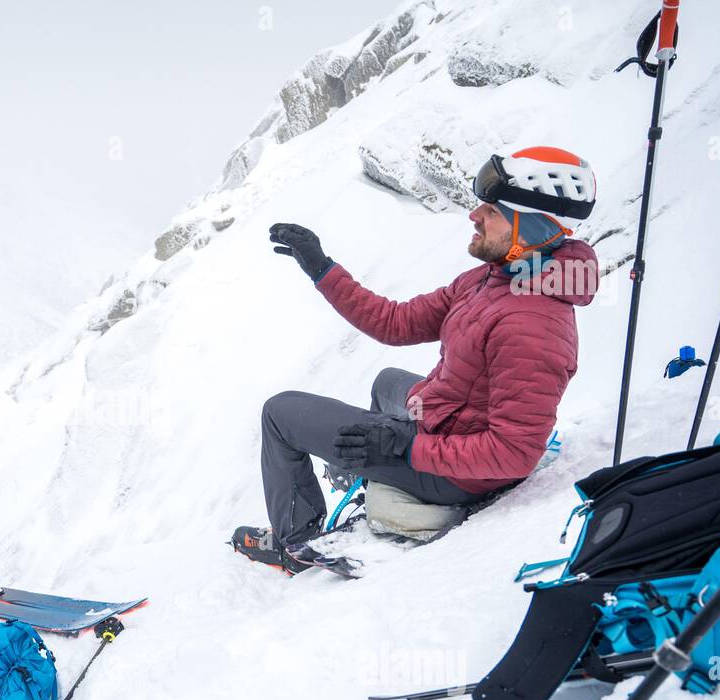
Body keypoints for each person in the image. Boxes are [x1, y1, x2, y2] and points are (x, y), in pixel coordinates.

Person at [232, 147, 599, 574]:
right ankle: (380, 478)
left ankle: (295, 542)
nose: (475, 215)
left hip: (457, 474)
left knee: (280, 413)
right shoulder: (496, 277)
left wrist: (408, 446)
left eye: (492, 211)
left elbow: (515, 452)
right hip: (445, 425)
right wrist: (322, 269)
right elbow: (396, 322)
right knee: (388, 381)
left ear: (528, 229)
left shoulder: (532, 324)